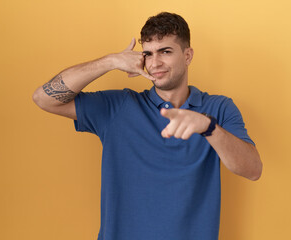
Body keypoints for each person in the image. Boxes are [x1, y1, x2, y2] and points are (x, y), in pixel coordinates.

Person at [33, 12, 262, 240]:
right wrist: (110, 61)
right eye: (148, 54)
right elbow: (44, 98)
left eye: (165, 51)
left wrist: (208, 127)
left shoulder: (218, 108)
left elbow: (252, 170)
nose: (155, 63)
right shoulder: (119, 107)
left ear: (188, 55)